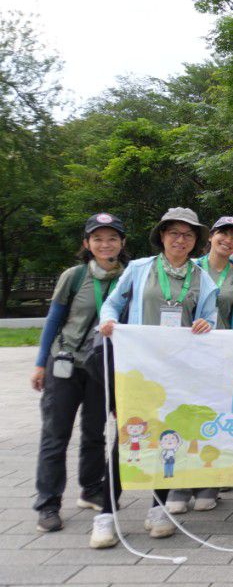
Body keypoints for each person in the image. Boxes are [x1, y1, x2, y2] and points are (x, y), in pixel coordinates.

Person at [96, 208, 219, 546]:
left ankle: (158, 508)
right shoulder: (139, 269)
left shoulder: (203, 279)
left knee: (169, 437)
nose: (181, 240)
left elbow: (210, 318)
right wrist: (108, 321)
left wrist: (206, 324)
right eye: (174, 233)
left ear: (196, 241)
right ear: (162, 235)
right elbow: (111, 304)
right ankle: (105, 515)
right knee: (128, 437)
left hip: (178, 371)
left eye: (188, 235)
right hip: (139, 369)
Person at [33, 213, 128, 535]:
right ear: (87, 243)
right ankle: (48, 503)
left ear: (122, 243)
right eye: (98, 239)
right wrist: (40, 363)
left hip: (102, 368)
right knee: (55, 435)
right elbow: (53, 320)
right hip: (66, 364)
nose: (105, 244)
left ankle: (91, 488)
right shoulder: (74, 277)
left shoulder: (129, 277)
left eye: (112, 238)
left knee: (94, 431)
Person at [165, 216, 233, 516]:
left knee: (215, 419)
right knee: (184, 417)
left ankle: (208, 484)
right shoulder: (192, 268)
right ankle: (179, 486)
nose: (228, 241)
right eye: (222, 234)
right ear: (211, 237)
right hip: (187, 355)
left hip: (223, 358)